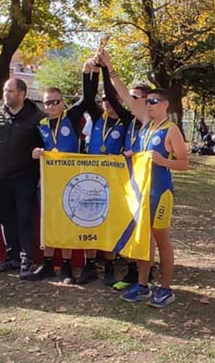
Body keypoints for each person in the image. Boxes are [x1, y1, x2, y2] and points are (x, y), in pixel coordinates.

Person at [121, 88, 190, 308]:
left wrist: (163, 161)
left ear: (165, 104)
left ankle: (166, 288)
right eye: (147, 101)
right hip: (142, 191)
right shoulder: (147, 126)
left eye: (154, 101)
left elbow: (184, 163)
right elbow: (124, 97)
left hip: (160, 192)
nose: (149, 104)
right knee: (144, 239)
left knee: (162, 240)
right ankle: (142, 285)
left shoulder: (171, 130)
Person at [28, 73, 95, 283]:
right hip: (48, 181)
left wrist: (87, 72)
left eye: (55, 102)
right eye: (46, 103)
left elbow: (87, 98)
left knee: (67, 221)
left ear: (62, 102)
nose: (50, 107)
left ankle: (66, 267)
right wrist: (35, 152)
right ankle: (48, 264)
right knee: (48, 221)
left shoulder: (72, 117)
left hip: (72, 181)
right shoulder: (40, 124)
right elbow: (34, 149)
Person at [75, 57, 132, 286]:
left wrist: (108, 69)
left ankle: (109, 267)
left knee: (109, 221)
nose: (106, 102)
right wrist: (90, 72)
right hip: (91, 175)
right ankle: (89, 267)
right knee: (89, 219)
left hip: (114, 178)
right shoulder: (99, 117)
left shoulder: (127, 119)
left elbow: (112, 94)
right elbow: (89, 99)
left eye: (111, 99)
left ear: (119, 99)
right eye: (104, 100)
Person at [103, 49, 153, 291]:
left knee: (147, 228)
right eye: (129, 96)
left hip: (147, 181)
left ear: (146, 101)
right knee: (131, 224)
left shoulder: (148, 120)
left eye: (135, 97)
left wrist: (111, 66)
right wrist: (103, 68)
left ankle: (147, 274)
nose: (129, 99)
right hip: (127, 179)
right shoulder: (128, 119)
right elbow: (114, 97)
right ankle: (134, 272)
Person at [0, 78, 45, 280]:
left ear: (22, 94)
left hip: (26, 177)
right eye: (4, 90)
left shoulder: (37, 118)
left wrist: (40, 175)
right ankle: (12, 257)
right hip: (1, 177)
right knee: (5, 218)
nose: (6, 94)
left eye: (10, 91)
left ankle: (27, 259)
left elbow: (45, 148)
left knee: (25, 219)